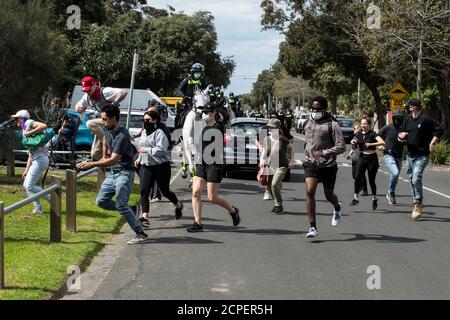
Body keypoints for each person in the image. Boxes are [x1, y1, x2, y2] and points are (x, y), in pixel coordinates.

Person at [77, 103, 148, 245]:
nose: (102, 122)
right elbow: (104, 140)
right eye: (101, 119)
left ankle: (140, 233)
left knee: (121, 204)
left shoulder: (123, 135)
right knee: (101, 202)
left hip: (124, 173)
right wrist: (103, 155)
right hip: (113, 173)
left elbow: (114, 159)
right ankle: (133, 209)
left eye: (105, 119)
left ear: (114, 119)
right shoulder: (108, 129)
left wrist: (91, 164)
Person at [187, 102, 241, 232]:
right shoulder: (205, 128)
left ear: (214, 114)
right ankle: (198, 223)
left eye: (206, 112)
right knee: (195, 193)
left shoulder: (217, 127)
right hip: (202, 164)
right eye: (203, 112)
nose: (204, 114)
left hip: (214, 164)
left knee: (212, 197)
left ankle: (233, 211)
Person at [302, 96, 346, 238]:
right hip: (311, 163)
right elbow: (308, 140)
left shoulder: (332, 124)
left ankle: (337, 207)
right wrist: (308, 151)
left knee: (329, 195)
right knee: (310, 191)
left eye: (318, 109)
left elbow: (341, 146)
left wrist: (324, 153)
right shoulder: (308, 121)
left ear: (324, 109)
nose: (315, 111)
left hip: (328, 165)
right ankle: (313, 227)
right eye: (313, 109)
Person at [134, 111, 183, 226]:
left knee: (165, 191)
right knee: (144, 191)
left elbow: (161, 150)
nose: (145, 122)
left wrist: (146, 151)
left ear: (155, 120)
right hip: (147, 166)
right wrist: (140, 157)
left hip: (161, 166)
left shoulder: (160, 133)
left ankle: (178, 205)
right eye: (144, 119)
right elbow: (141, 146)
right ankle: (144, 217)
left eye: (148, 120)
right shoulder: (144, 132)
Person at [398, 98, 443, 219]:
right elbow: (401, 133)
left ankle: (418, 202)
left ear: (416, 106)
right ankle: (416, 202)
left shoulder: (426, 119)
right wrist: (400, 136)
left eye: (411, 106)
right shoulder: (407, 120)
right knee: (412, 179)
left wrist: (432, 143)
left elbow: (439, 130)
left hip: (422, 155)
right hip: (410, 154)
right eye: (409, 106)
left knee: (416, 176)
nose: (409, 108)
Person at [75, 76, 128, 161]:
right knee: (95, 155)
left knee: (90, 123)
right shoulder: (87, 97)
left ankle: (107, 140)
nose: (87, 92)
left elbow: (124, 92)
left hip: (112, 122)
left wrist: (114, 103)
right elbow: (79, 104)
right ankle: (105, 143)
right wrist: (78, 107)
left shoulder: (105, 92)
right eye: (85, 90)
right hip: (103, 125)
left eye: (88, 90)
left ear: (94, 86)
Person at [11, 110, 50, 214]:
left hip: (41, 159)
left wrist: (30, 133)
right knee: (26, 185)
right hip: (37, 159)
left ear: (22, 118)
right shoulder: (24, 128)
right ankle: (39, 208)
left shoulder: (28, 123)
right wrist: (26, 170)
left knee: (29, 186)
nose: (15, 121)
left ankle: (52, 199)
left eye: (16, 119)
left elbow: (44, 125)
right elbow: (30, 154)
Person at [349, 117, 385, 210]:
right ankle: (355, 198)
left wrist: (371, 144)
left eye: (365, 124)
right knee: (357, 177)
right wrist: (352, 146)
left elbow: (382, 142)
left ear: (369, 124)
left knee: (371, 181)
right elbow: (354, 145)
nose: (363, 125)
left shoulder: (373, 134)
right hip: (361, 157)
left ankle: (374, 198)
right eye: (362, 123)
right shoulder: (358, 134)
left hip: (372, 159)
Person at [260, 119, 295, 214]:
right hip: (270, 165)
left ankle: (279, 205)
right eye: (269, 127)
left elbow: (292, 149)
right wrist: (261, 162)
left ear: (278, 128)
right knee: (269, 185)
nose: (270, 129)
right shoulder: (266, 139)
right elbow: (264, 152)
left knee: (274, 184)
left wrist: (291, 161)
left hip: (282, 166)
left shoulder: (283, 139)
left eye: (272, 127)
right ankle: (276, 204)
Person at [378, 110, 406, 205]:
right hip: (388, 154)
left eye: (400, 118)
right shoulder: (388, 128)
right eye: (396, 118)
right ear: (393, 118)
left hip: (399, 155)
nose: (398, 119)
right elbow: (377, 136)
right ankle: (391, 192)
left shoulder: (404, 129)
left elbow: (409, 139)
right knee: (395, 172)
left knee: (396, 175)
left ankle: (391, 191)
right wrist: (380, 145)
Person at [346, 124, 368, 196]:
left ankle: (364, 189)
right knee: (354, 175)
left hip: (361, 157)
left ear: (359, 129)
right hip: (355, 157)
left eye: (355, 128)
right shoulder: (355, 137)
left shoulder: (362, 136)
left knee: (361, 174)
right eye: (353, 128)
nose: (353, 130)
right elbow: (353, 148)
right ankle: (360, 185)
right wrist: (350, 154)